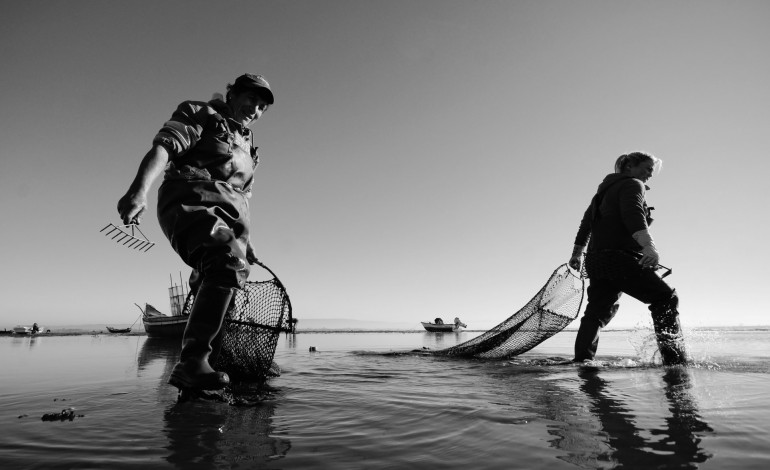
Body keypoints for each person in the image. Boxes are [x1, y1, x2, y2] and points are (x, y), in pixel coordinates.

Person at [117, 73, 275, 390]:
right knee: (227, 264)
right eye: (250, 99)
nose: (255, 109)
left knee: (231, 277)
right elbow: (164, 149)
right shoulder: (200, 113)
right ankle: (192, 363)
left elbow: (242, 198)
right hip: (189, 205)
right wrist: (138, 191)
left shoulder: (248, 147)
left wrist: (249, 243)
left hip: (230, 226)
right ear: (232, 95)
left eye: (261, 106)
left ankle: (213, 362)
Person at [568, 152, 687, 365]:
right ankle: (675, 361)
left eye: (652, 169)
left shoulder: (602, 193)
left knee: (597, 310)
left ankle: (582, 361)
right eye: (647, 168)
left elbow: (585, 225)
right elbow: (632, 214)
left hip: (597, 261)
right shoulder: (633, 184)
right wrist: (648, 246)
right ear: (630, 166)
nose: (650, 173)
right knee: (665, 298)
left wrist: (577, 254)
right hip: (620, 259)